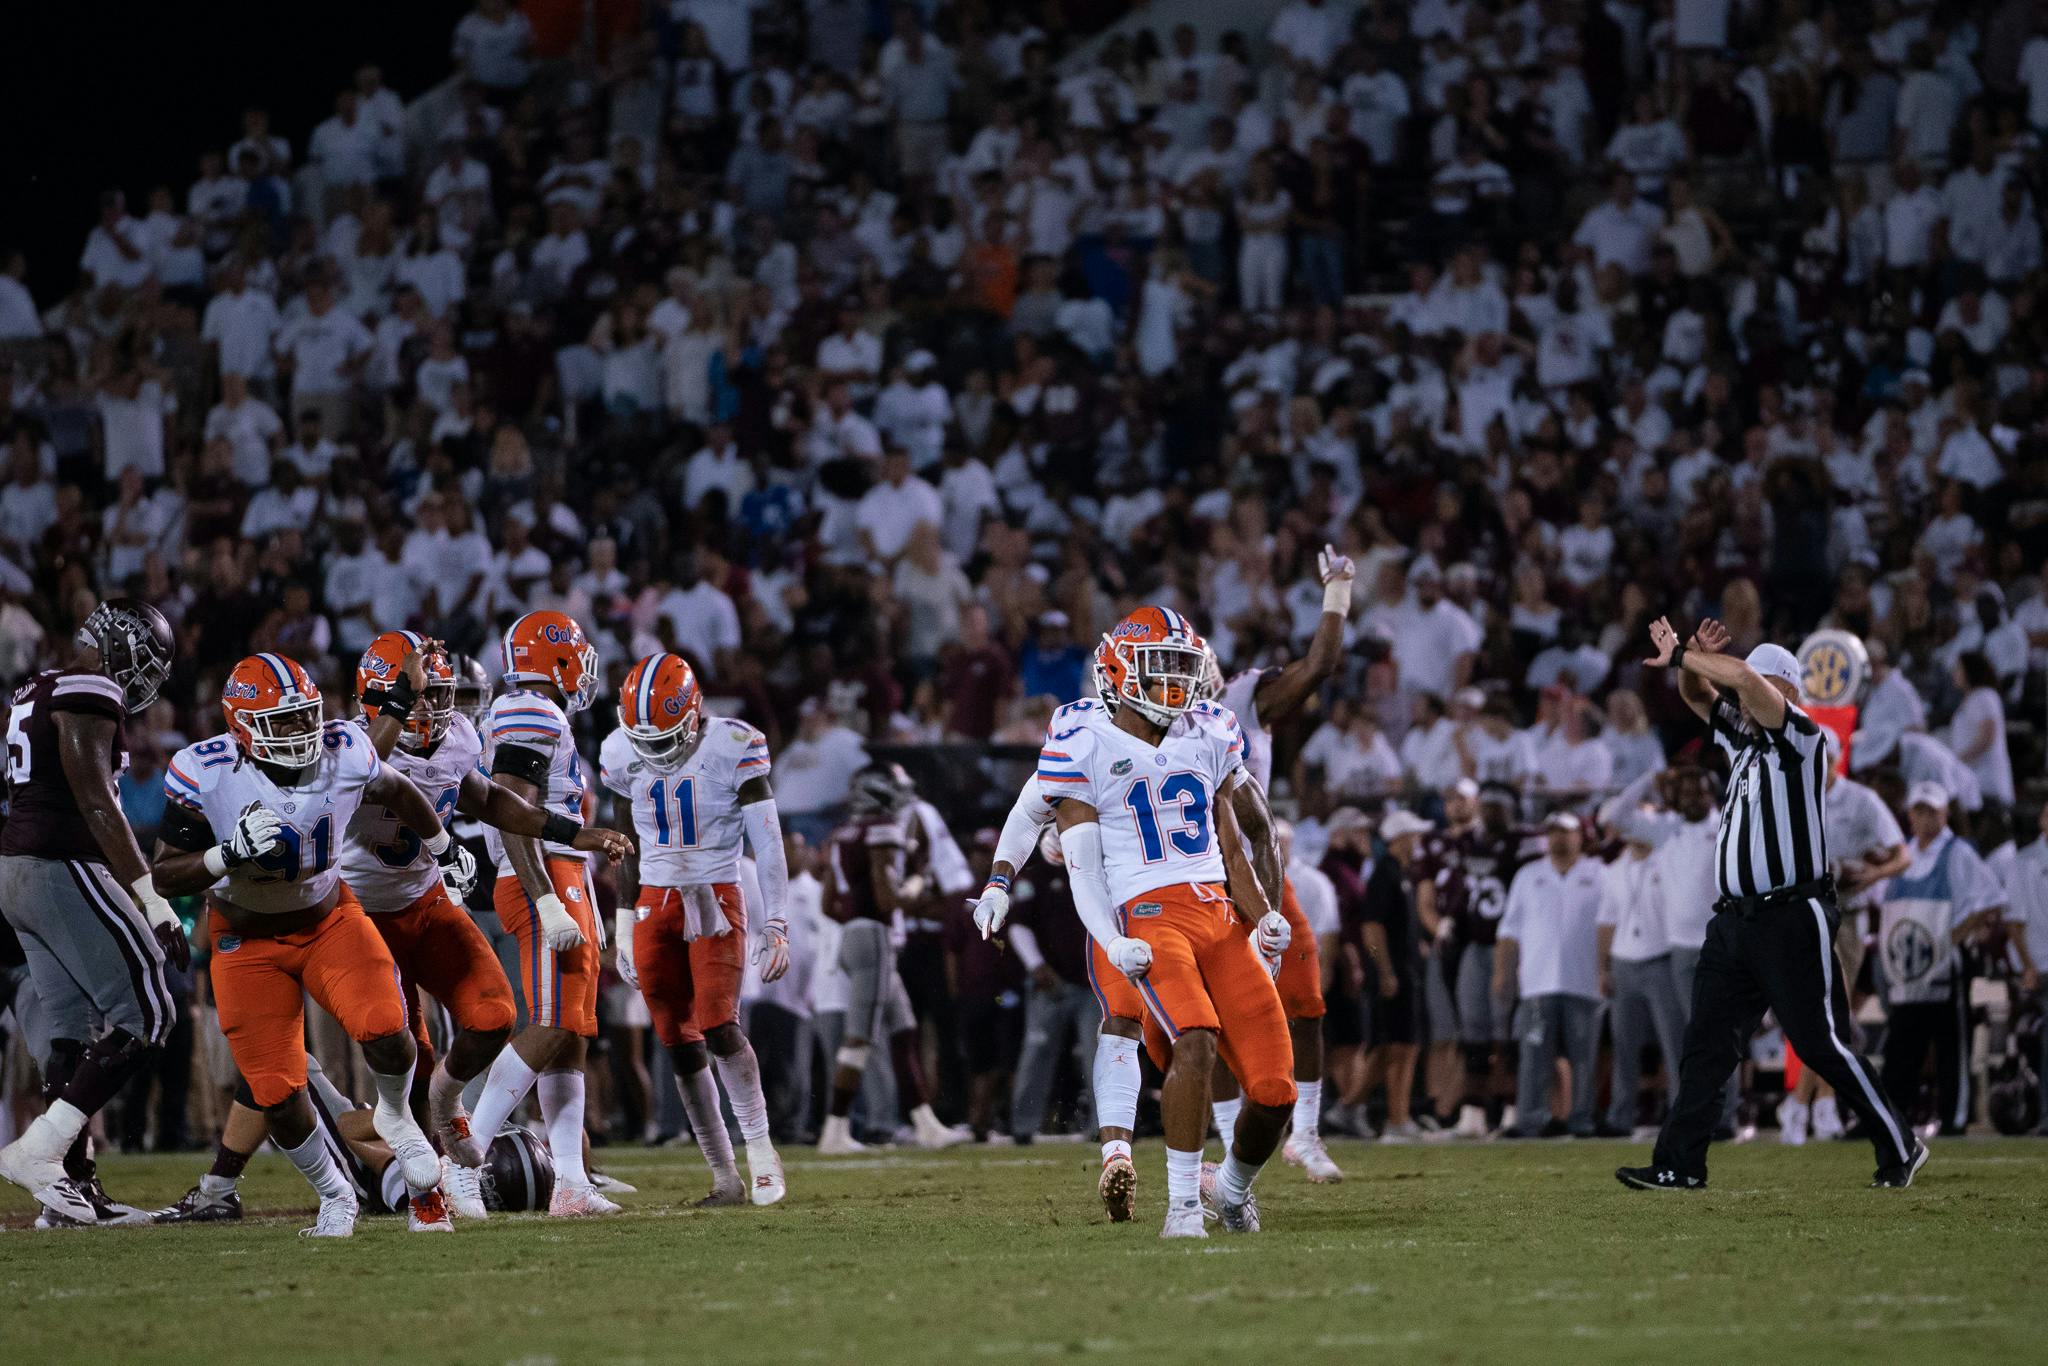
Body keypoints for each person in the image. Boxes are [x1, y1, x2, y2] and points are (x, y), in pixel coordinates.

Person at [147, 653, 455, 1236]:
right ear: (241, 726)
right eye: (283, 722)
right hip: (246, 941)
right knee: (276, 1091)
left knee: (389, 1030)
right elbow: (165, 873)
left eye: (305, 716)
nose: (301, 731)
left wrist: (440, 844)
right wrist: (224, 855)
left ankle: (393, 1115)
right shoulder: (206, 771)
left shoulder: (344, 750)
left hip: (327, 921)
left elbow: (399, 789)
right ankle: (334, 1192)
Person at [1618, 619, 1923, 1192]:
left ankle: (1900, 1142)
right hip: (1733, 919)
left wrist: (1690, 653)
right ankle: (1679, 1164)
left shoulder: (1801, 737)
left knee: (1819, 1042)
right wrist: (1691, 666)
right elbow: (1698, 694)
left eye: (1757, 683)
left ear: (1784, 688)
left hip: (1790, 914)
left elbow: (1735, 679)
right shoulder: (1745, 741)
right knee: (1706, 1041)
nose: (1743, 694)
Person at [1043, 607, 1295, 1238]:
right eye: (1161, 671)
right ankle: (1179, 1204)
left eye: (1184, 669)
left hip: (1215, 910)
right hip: (1145, 911)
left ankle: (1229, 1190)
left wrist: (1265, 914)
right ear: (1120, 670)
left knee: (1275, 1091)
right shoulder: (1082, 734)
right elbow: (1035, 813)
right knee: (1189, 1037)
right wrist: (1011, 866)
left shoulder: (1210, 729)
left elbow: (1238, 839)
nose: (1176, 685)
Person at [351, 635, 630, 1168]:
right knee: (406, 1055)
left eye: (436, 693)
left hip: (425, 900)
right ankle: (349, 1140)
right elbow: (370, 768)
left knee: (495, 1015)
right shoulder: (344, 743)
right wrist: (396, 703)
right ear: (381, 694)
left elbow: (496, 802)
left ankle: (445, 1105)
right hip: (358, 913)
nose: (429, 706)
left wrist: (574, 833)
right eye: (416, 693)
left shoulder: (456, 737)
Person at [0, 600, 181, 1226]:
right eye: (147, 665)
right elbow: (97, 798)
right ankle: (42, 1151)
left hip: (18, 872)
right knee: (151, 1009)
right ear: (123, 647)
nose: (146, 684)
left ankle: (69, 1194)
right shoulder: (89, 686)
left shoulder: (34, 688)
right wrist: (153, 899)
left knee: (69, 1035)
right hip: (59, 867)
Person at [599, 652, 794, 1207]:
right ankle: (723, 1177)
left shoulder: (734, 744)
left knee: (718, 1024)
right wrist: (621, 919)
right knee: (675, 1040)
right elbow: (623, 844)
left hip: (714, 893)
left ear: (694, 710)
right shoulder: (619, 750)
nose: (652, 750)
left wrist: (776, 920)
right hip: (652, 902)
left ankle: (761, 1153)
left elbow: (769, 840)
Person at [458, 610, 622, 1218]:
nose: (583, 666)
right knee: (551, 1023)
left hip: (562, 873)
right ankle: (462, 1157)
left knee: (572, 1035)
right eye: (575, 654)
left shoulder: (537, 713)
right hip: (539, 876)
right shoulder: (531, 709)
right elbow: (513, 813)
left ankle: (572, 1181)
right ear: (554, 658)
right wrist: (550, 897)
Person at [1211, 543, 1352, 1181]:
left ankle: (1307, 1132)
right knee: (1206, 1020)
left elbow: (1321, 665)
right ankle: (1220, 1145)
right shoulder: (1147, 725)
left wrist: (1337, 593)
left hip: (1261, 872)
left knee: (1305, 997)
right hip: (1197, 880)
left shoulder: (1244, 698)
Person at [973, 769, 1149, 1221]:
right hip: (1055, 979)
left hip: (1101, 972)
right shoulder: (1039, 871)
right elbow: (1025, 924)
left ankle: (1104, 1133)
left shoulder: (1106, 856)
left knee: (1104, 1048)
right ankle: (1024, 1126)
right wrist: (1036, 966)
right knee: (1039, 1051)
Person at [818, 762, 971, 1155]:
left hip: (855, 936)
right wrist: (918, 881)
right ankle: (834, 1130)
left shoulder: (841, 834)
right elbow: (890, 899)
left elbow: (828, 904)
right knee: (859, 1038)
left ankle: (926, 1125)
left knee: (904, 1031)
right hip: (876, 937)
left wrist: (856, 921)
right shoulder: (882, 829)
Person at [1781, 734, 1908, 1144]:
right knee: (1818, 1011)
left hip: (1847, 915)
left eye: (1826, 758)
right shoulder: (1793, 796)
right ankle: (1815, 1104)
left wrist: (1870, 876)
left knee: (1828, 1014)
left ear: (1836, 759)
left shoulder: (1861, 801)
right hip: (1805, 912)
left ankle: (1806, 1103)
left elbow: (1901, 854)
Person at [1878, 783, 2005, 1137]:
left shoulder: (1958, 853)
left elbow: (1989, 900)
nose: (1924, 818)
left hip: (1945, 965)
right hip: (1908, 967)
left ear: (1944, 814)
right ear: (1910, 815)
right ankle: (1890, 1115)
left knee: (1951, 1043)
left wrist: (1951, 939)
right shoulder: (1904, 855)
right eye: (1919, 811)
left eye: (1931, 811)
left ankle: (1954, 1117)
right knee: (1903, 1041)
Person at [1496, 812, 1606, 1138]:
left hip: (1585, 980)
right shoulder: (1529, 875)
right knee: (1533, 1058)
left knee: (1584, 1058)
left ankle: (1581, 1119)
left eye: (1566, 832)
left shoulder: (1599, 873)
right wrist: (1502, 973)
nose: (1559, 838)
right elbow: (1509, 930)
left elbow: (1609, 924)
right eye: (1554, 832)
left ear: (1580, 836)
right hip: (1537, 981)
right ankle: (1530, 1119)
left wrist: (1606, 969)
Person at [1595, 785, 1682, 1137]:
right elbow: (1606, 921)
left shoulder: (1669, 858)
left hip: (1661, 958)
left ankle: (1680, 1114)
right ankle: (1620, 1114)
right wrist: (1603, 967)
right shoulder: (1613, 868)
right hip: (1624, 961)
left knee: (1673, 1044)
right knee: (1624, 1046)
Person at [1357, 809, 1433, 1142]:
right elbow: (1372, 930)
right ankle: (1395, 1119)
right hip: (1395, 973)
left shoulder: (1401, 874)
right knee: (1399, 1047)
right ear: (1400, 838)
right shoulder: (1385, 875)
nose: (1418, 842)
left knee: (1404, 1046)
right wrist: (1384, 970)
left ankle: (1387, 1115)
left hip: (1404, 970)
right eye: (1414, 836)